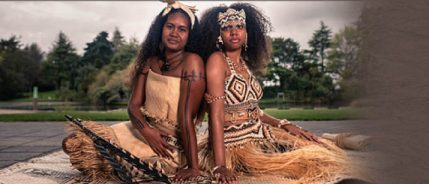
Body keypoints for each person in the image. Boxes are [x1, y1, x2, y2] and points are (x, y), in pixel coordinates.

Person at [196, 3, 349, 183]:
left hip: (259, 133)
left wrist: (284, 124)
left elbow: (254, 110)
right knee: (310, 163)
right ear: (218, 35)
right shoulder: (217, 61)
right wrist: (220, 165)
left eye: (239, 26)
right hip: (236, 145)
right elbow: (216, 115)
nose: (234, 32)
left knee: (317, 146)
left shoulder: (243, 63)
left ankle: (338, 140)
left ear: (247, 32)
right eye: (227, 27)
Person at [61, 1, 207, 182]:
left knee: (114, 162)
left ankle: (121, 165)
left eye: (182, 29)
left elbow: (186, 119)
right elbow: (134, 106)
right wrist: (147, 131)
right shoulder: (150, 62)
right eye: (170, 26)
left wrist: (193, 167)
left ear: (189, 35)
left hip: (169, 144)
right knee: (73, 142)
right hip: (140, 129)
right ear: (160, 29)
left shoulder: (193, 63)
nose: (174, 33)